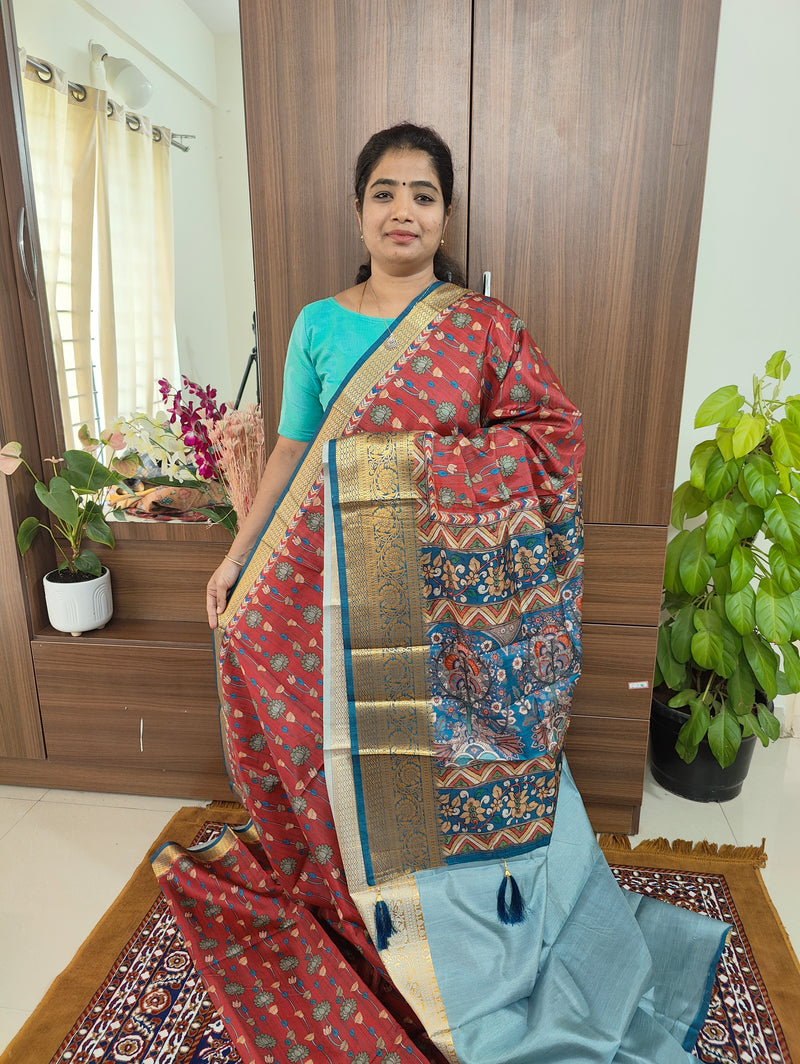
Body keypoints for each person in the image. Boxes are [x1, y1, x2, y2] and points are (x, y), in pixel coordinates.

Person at [154, 123, 728, 1064]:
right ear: (359, 210)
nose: (402, 211)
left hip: (453, 609)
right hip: (344, 591)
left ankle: (454, 956)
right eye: (384, 192)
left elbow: (551, 440)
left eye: (422, 194)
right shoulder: (317, 325)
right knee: (358, 770)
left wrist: (402, 468)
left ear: (445, 213)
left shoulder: (481, 327)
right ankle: (367, 924)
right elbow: (296, 455)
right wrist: (234, 559)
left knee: (424, 780)